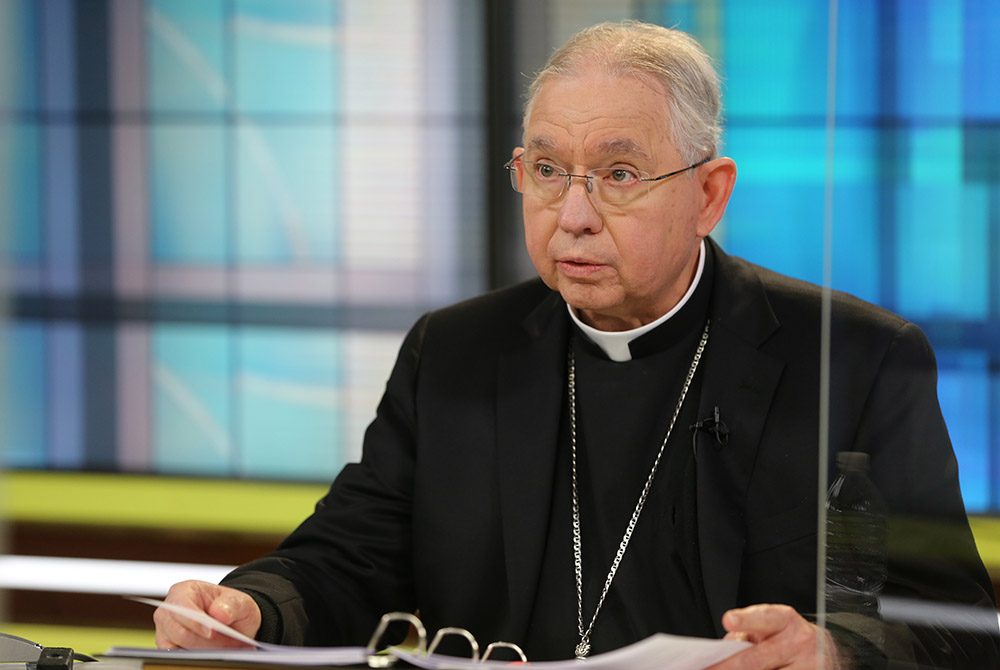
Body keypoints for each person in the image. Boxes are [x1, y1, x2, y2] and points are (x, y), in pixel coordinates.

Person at [153, 21, 998, 669]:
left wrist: (833, 652)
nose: (575, 212)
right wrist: (249, 609)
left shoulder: (853, 360)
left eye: (619, 175)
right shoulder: (455, 352)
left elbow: (954, 624)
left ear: (709, 195)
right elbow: (351, 556)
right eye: (548, 171)